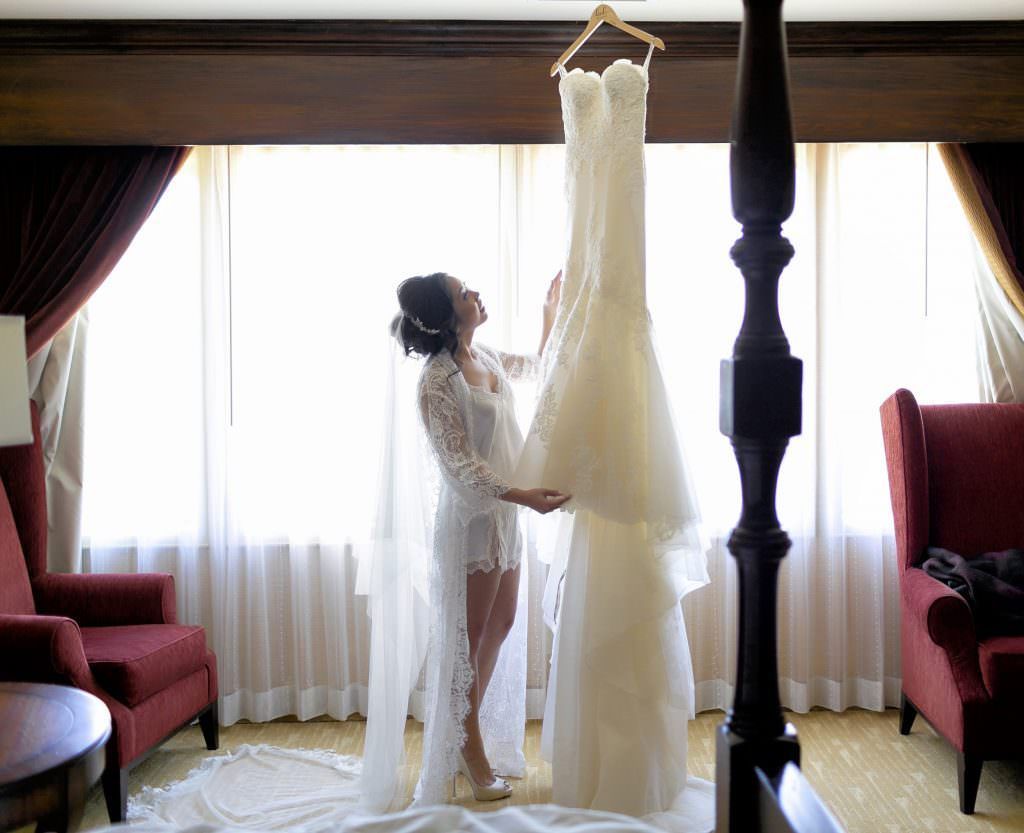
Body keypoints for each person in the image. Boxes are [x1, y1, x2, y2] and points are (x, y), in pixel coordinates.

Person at [391, 270, 569, 804]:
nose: (476, 295)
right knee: (466, 640)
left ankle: (461, 734)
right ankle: (468, 752)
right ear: (447, 316)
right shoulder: (436, 383)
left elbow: (538, 367)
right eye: (463, 294)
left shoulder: (485, 357)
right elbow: (461, 468)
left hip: (506, 515)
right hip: (472, 522)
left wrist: (548, 314)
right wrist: (524, 496)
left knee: (504, 622)